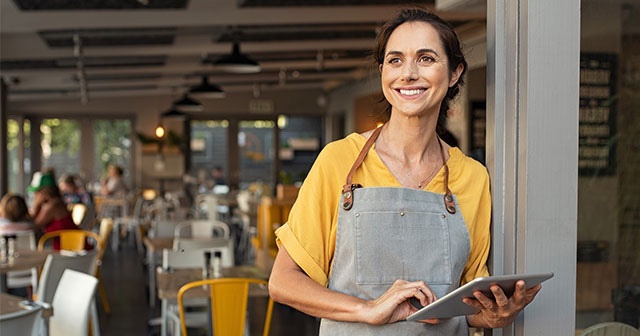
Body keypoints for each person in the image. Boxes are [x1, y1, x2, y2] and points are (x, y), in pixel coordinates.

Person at [268, 7, 542, 335]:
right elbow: (283, 281)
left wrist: (494, 316)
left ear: (455, 73)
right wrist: (367, 309)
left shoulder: (472, 177)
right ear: (383, 71)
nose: (408, 74)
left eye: (426, 58)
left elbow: (468, 307)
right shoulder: (339, 160)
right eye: (395, 60)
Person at [29, 173, 80, 250]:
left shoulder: (52, 206)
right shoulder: (57, 202)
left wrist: (36, 204)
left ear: (44, 192)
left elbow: (34, 225)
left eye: (36, 192)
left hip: (72, 249)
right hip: (68, 248)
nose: (35, 195)